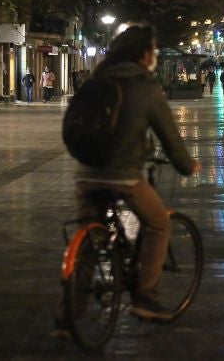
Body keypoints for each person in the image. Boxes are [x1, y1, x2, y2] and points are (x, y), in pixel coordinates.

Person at [72, 25, 201, 322]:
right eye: (153, 51)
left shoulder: (97, 79)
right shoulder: (146, 88)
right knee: (158, 224)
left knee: (89, 235)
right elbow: (170, 139)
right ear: (144, 55)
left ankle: (70, 313)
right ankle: (146, 297)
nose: (154, 56)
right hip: (124, 175)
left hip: (85, 173)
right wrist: (187, 165)